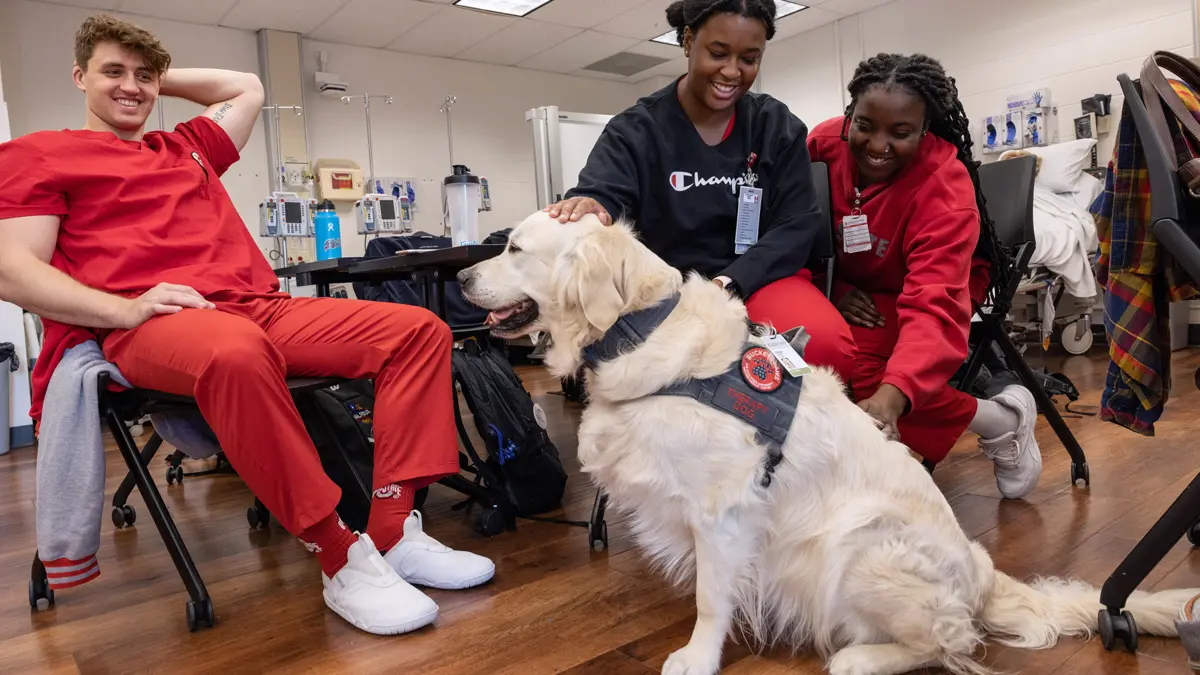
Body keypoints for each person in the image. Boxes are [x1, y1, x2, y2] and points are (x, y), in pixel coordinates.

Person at [0, 14, 494, 634]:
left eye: (143, 76)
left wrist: (151, 78)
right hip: (156, 319)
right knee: (236, 351)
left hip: (258, 306)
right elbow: (13, 270)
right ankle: (339, 556)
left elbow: (247, 88)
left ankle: (392, 531)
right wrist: (125, 309)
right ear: (78, 77)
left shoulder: (185, 146)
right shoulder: (38, 154)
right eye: (111, 73)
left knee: (418, 330)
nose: (131, 87)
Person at [545, 0, 855, 381]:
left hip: (757, 279)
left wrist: (728, 282)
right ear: (689, 41)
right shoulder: (635, 130)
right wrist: (592, 205)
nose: (732, 71)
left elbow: (798, 223)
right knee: (649, 372)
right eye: (718, 53)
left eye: (749, 58)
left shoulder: (777, 127)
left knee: (820, 345)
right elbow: (604, 194)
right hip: (665, 292)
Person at [806, 53, 1042, 499]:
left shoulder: (944, 187)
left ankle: (1004, 424)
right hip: (854, 285)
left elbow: (934, 301)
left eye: (901, 133)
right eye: (864, 125)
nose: (877, 145)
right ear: (848, 114)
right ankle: (996, 417)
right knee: (814, 348)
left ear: (925, 129)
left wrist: (891, 399)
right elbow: (793, 230)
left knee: (868, 371)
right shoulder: (820, 146)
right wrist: (831, 286)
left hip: (936, 284)